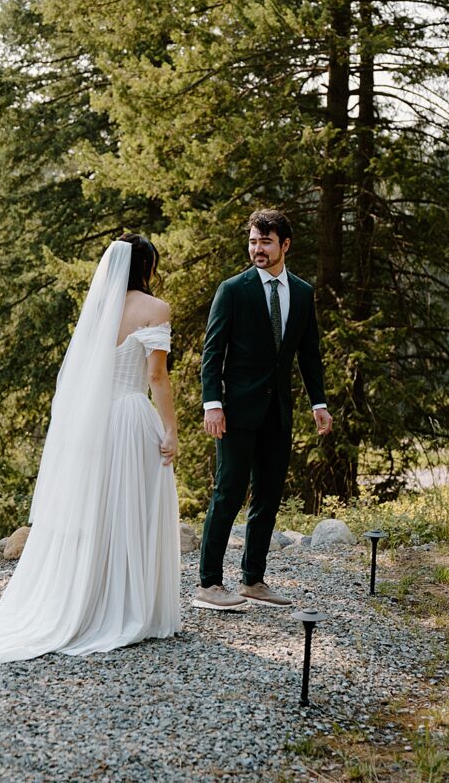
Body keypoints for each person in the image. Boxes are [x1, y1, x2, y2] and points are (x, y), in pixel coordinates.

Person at [0, 235, 181, 666]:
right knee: (131, 509)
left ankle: (93, 601)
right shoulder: (156, 310)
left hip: (96, 423)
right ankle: (130, 608)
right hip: (132, 418)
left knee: (100, 511)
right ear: (147, 265)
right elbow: (157, 378)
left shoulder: (98, 309)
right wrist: (170, 429)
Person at [195, 210, 332, 611]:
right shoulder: (233, 289)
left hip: (279, 413)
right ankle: (209, 583)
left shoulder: (303, 293)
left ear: (284, 245)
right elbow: (212, 351)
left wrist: (318, 403)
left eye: (266, 242)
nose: (258, 248)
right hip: (235, 412)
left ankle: (253, 580)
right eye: (254, 241)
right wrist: (213, 404)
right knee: (228, 494)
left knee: (268, 497)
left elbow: (310, 354)